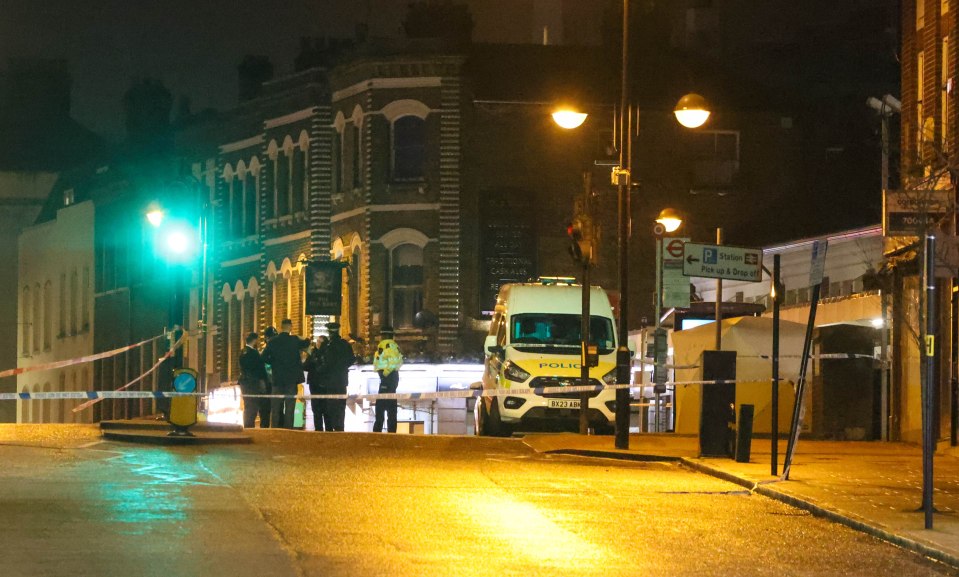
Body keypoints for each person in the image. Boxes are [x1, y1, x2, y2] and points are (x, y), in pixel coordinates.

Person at [261, 319, 309, 428]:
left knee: (276, 407)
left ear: (281, 327)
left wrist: (273, 362)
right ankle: (288, 430)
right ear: (290, 327)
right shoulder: (294, 340)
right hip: (291, 379)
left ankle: (275, 429)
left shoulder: (273, 341)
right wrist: (306, 338)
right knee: (290, 407)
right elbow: (306, 343)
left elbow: (263, 357)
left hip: (277, 378)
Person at [321, 322, 355, 431]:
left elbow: (326, 363)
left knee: (331, 405)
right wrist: (343, 367)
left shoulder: (328, 346)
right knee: (341, 404)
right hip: (342, 380)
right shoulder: (345, 344)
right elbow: (351, 359)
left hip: (330, 380)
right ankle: (340, 426)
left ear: (330, 332)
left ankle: (331, 426)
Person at [372, 326, 403, 433]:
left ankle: (378, 432)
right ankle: (391, 431)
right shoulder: (391, 345)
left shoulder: (388, 345)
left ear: (385, 335)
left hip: (388, 377)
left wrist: (384, 374)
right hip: (389, 377)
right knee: (390, 404)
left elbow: (394, 362)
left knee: (381, 405)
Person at [238, 332, 270, 428]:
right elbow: (260, 369)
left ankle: (247, 426)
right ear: (255, 340)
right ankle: (249, 427)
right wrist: (265, 381)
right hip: (253, 383)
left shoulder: (242, 351)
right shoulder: (254, 353)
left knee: (248, 405)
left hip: (244, 381)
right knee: (252, 406)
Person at [303, 335, 330, 431]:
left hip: (324, 383)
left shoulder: (327, 353)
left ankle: (328, 429)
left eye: (320, 341)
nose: (317, 343)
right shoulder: (313, 352)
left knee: (326, 407)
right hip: (314, 383)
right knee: (316, 407)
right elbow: (306, 366)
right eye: (317, 341)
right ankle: (318, 429)